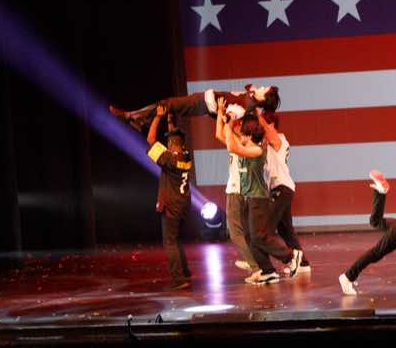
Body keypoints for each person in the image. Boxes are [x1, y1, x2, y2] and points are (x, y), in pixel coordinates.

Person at [221, 114, 303, 284]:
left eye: (244, 134)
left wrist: (228, 125)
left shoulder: (258, 151)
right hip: (248, 198)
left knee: (259, 236)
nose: (241, 136)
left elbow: (231, 146)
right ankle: (267, 271)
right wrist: (223, 116)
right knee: (250, 238)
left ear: (250, 136)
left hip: (258, 199)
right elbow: (226, 138)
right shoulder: (246, 146)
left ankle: (290, 256)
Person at [146, 105, 193, 290]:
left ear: (172, 144)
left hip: (171, 205)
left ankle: (178, 278)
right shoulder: (186, 156)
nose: (166, 145)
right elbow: (174, 137)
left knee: (170, 242)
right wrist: (170, 120)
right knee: (176, 239)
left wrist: (157, 117)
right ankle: (185, 271)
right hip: (183, 204)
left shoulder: (169, 159)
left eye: (168, 142)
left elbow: (150, 140)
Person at [258, 111, 311, 275]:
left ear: (271, 125)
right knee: (285, 230)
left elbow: (269, 134)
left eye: (262, 125)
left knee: (264, 230)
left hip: (282, 188)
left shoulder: (279, 139)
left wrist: (256, 113)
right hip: (281, 189)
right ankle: (302, 263)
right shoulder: (267, 142)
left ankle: (263, 264)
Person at [110, 84, 280, 132]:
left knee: (167, 104)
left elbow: (227, 118)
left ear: (264, 98)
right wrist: (255, 95)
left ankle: (129, 116)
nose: (262, 87)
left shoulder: (244, 108)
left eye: (265, 89)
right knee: (168, 106)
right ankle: (141, 121)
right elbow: (249, 87)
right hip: (203, 100)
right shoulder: (251, 98)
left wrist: (218, 111)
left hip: (202, 104)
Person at [213, 115, 261, 276]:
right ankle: (254, 262)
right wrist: (221, 113)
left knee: (235, 233)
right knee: (245, 232)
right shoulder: (242, 143)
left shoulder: (241, 144)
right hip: (241, 191)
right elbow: (219, 134)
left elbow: (225, 139)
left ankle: (256, 267)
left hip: (236, 190)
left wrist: (229, 123)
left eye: (239, 125)